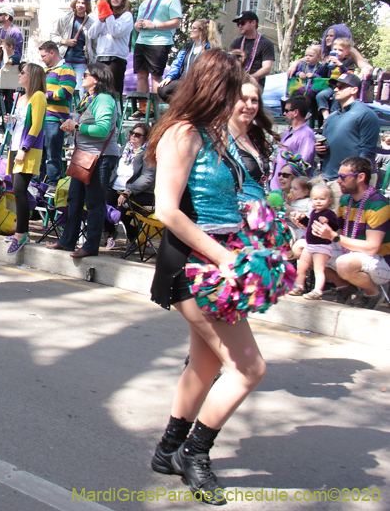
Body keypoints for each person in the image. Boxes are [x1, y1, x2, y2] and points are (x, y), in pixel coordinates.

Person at [147, 49, 268, 505]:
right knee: (249, 368)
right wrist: (222, 256)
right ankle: (194, 454)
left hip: (219, 261)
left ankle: (166, 451)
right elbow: (166, 210)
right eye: (233, 88)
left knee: (207, 363)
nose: (240, 98)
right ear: (215, 88)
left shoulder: (219, 136)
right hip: (193, 264)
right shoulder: (183, 133)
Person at [44, 63, 119, 257]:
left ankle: (90, 246)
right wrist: (72, 127)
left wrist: (76, 126)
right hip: (84, 155)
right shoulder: (90, 98)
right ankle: (68, 241)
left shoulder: (103, 99)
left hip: (99, 157)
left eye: (86, 74)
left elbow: (102, 129)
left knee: (94, 202)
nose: (82, 77)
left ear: (98, 78)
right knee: (74, 199)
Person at [315, 156, 390, 309]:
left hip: (381, 261)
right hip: (353, 253)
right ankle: (345, 289)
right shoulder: (345, 200)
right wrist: (307, 224)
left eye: (343, 177)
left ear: (361, 177)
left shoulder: (378, 204)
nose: (338, 181)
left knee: (344, 263)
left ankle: (373, 293)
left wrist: (334, 237)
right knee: (311, 249)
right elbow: (337, 232)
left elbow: (372, 247)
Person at [6, 63, 47, 254]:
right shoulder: (23, 97)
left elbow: (36, 126)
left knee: (20, 190)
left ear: (32, 76)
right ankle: (22, 230)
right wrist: (11, 122)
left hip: (27, 149)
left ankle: (20, 233)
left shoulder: (38, 96)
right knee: (17, 190)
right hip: (16, 146)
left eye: (23, 72)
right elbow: (22, 125)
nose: (19, 75)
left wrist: (24, 148)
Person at [316, 73, 380, 181]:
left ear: (354, 90)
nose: (336, 90)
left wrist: (355, 179)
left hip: (350, 180)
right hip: (327, 178)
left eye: (340, 87)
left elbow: (367, 153)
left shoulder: (366, 114)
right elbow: (328, 149)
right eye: (334, 87)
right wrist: (319, 150)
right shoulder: (331, 118)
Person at [133, 0, 183, 100]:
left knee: (155, 76)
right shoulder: (145, 2)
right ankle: (143, 109)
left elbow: (176, 22)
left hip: (159, 42)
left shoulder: (171, 0)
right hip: (142, 41)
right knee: (141, 75)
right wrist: (137, 25)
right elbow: (138, 23)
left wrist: (154, 25)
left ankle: (154, 109)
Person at [104, 121, 155, 249]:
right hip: (115, 186)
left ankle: (134, 239)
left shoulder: (148, 154)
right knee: (100, 204)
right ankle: (110, 233)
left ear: (145, 138)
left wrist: (129, 191)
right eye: (132, 133)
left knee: (124, 207)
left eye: (138, 135)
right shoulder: (123, 150)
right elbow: (113, 169)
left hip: (136, 191)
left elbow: (147, 178)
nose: (133, 136)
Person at [288, 183, 341, 300]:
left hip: (322, 246)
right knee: (301, 266)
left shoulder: (329, 214)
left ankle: (318, 290)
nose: (318, 202)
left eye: (322, 199)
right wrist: (302, 220)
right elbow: (309, 225)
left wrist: (327, 221)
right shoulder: (313, 212)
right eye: (315, 199)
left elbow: (335, 226)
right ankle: (299, 286)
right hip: (310, 244)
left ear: (330, 201)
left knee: (319, 269)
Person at [228, 76, 274, 204]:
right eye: (243, 99)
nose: (249, 105)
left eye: (254, 100)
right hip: (233, 218)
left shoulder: (256, 134)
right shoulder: (218, 137)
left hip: (261, 216)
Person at [38, 40, 76, 185]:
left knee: (52, 155)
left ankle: (53, 184)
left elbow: (66, 92)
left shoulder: (66, 69)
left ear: (52, 52)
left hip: (55, 119)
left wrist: (44, 95)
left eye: (43, 56)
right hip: (42, 118)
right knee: (40, 154)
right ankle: (38, 184)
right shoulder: (45, 71)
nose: (42, 59)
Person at [158, 18, 220, 103]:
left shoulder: (210, 49)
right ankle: (184, 108)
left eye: (194, 28)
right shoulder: (187, 47)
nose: (190, 30)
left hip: (198, 83)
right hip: (183, 80)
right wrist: (169, 76)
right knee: (163, 89)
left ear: (203, 31)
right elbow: (177, 63)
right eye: (191, 27)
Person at [87, 0, 133, 97]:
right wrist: (100, 19)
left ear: (123, 0)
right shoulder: (104, 16)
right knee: (99, 91)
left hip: (115, 59)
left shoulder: (126, 16)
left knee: (114, 91)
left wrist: (108, 15)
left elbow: (116, 32)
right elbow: (91, 34)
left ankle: (117, 113)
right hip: (101, 57)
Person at [50, 0, 95, 98]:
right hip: (65, 59)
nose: (80, 5)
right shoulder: (65, 19)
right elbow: (53, 35)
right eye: (78, 2)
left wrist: (93, 59)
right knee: (65, 87)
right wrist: (64, 41)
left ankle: (79, 112)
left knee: (80, 88)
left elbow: (94, 44)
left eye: (83, 3)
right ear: (74, 4)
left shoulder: (91, 23)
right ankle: (66, 112)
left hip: (81, 61)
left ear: (87, 6)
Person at [269, 95, 315, 191]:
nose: (284, 113)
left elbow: (302, 165)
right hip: (276, 188)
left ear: (295, 112)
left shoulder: (306, 135)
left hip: (291, 193)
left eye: (286, 110)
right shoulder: (286, 133)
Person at [315, 37, 358, 118]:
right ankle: (325, 116)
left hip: (341, 87)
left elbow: (349, 75)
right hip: (331, 86)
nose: (337, 52)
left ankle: (333, 115)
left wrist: (340, 65)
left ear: (347, 52)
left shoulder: (348, 62)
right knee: (320, 95)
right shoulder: (331, 62)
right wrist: (325, 65)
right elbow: (323, 75)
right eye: (335, 49)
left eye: (340, 50)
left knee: (336, 97)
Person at [229, 11, 275, 87]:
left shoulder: (266, 43)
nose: (240, 26)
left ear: (253, 23)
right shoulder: (237, 42)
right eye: (238, 24)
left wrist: (249, 79)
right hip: (236, 83)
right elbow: (229, 64)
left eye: (243, 23)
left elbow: (266, 68)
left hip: (255, 84)